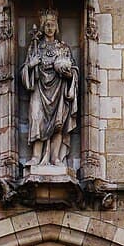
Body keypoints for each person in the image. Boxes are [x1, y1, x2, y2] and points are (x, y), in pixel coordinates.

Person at [21, 10, 79, 169]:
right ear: (42, 26)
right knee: (37, 118)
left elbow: (73, 70)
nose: (49, 28)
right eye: (47, 25)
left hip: (58, 89)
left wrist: (68, 75)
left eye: (52, 25)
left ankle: (55, 158)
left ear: (57, 27)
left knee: (58, 124)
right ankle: (36, 157)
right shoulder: (35, 47)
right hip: (39, 89)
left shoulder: (63, 48)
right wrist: (31, 65)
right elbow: (24, 72)